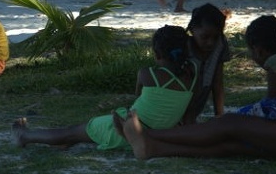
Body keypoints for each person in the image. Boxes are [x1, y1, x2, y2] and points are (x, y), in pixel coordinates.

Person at [120, 15, 276, 164]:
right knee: (233, 145)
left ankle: (149, 134)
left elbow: (271, 107)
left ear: (259, 49)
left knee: (229, 125)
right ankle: (151, 148)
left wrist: (234, 119)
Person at [12, 25, 199, 150]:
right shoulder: (192, 75)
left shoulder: (147, 74)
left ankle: (25, 136)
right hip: (154, 135)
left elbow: (137, 98)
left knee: (73, 130)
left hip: (126, 132)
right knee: (76, 134)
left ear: (157, 55)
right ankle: (67, 140)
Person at [182, 3, 231, 123]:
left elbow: (217, 82)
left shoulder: (220, 45)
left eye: (215, 37)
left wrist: (219, 117)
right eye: (205, 37)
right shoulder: (183, 47)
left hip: (200, 98)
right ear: (192, 30)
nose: (210, 43)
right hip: (180, 101)